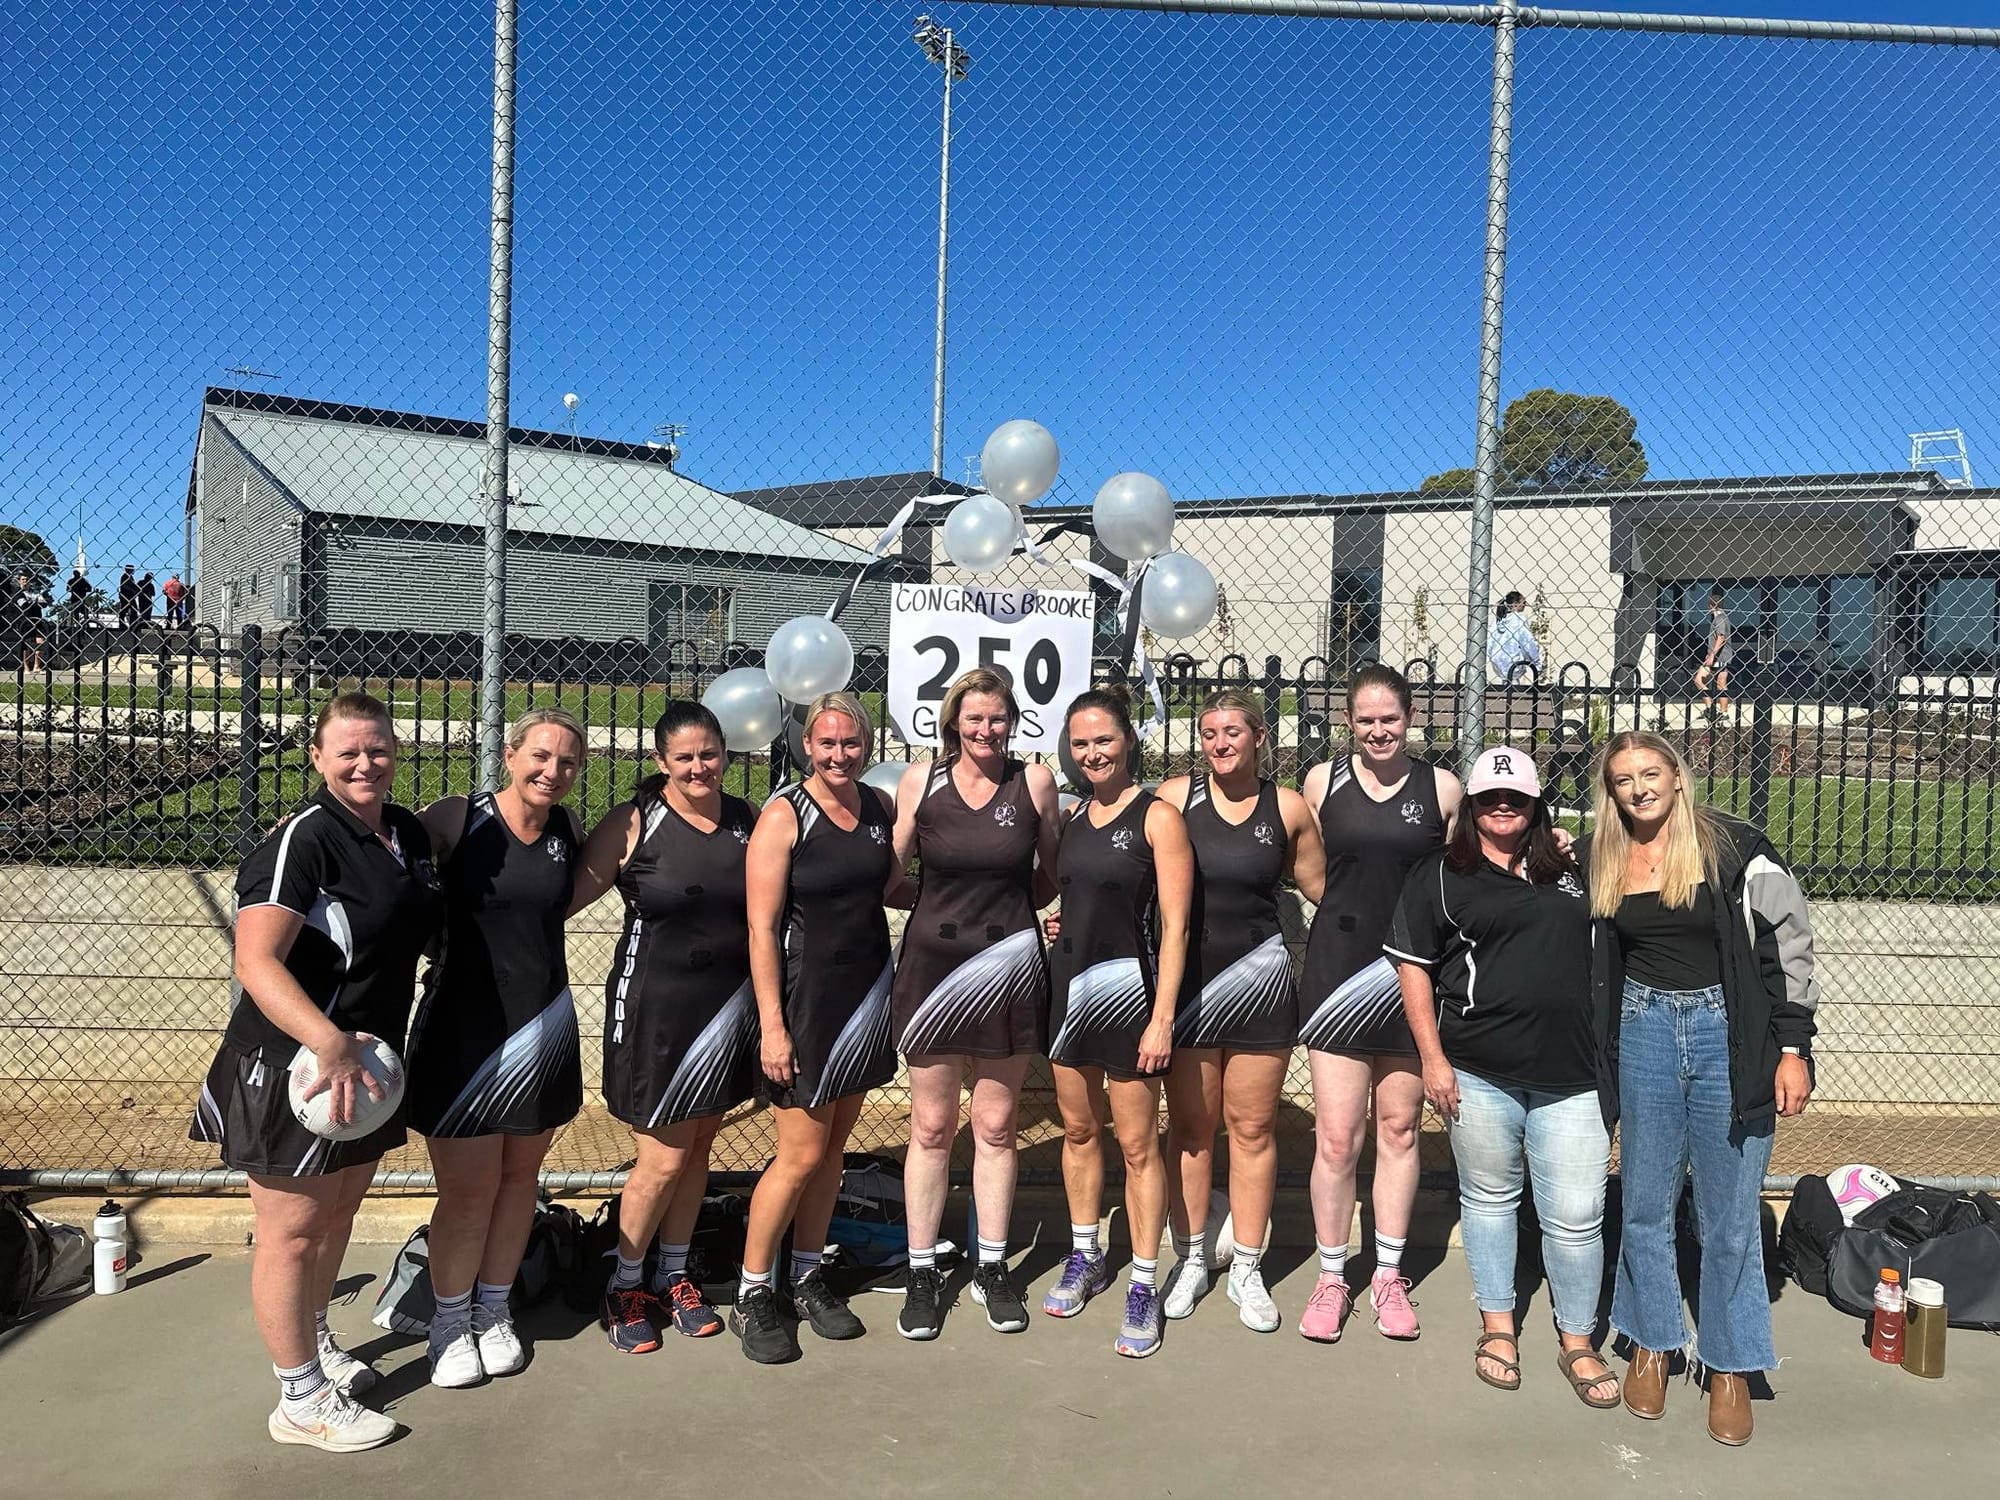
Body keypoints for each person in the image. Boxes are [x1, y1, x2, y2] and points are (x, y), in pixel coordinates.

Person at [187, 693, 445, 1452]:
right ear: (318, 758)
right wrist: (326, 1040)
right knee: (292, 1233)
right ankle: (298, 1398)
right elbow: (255, 959)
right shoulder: (304, 838)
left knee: (337, 1215)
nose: (366, 763)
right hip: (294, 1065)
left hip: (365, 1073)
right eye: (349, 752)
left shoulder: (403, 833)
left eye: (379, 749)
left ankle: (315, 1343)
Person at [1583, 730, 1818, 1446]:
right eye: (1624, 780)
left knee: (1730, 1215)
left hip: (1729, 1035)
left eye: (1651, 773)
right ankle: (1652, 1340)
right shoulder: (1604, 854)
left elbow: (1790, 941)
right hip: (1644, 1030)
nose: (1639, 788)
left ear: (1677, 777)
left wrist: (1792, 1046)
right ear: (1611, 791)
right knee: (1647, 1202)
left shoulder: (1736, 848)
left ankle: (1728, 1363)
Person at [1389, 747, 1618, 1409]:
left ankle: (1577, 1339)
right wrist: (1431, 1058)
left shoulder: (1574, 865)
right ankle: (1497, 1328)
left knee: (1576, 1215)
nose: (1503, 808)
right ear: (1470, 805)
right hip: (1478, 1071)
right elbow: (1413, 969)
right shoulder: (1439, 874)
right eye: (1490, 798)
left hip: (1573, 1074)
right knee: (1490, 1201)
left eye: (1516, 798)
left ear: (1536, 802)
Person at [405, 709, 588, 1389]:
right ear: (509, 755)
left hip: (542, 1029)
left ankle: (492, 1308)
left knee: (519, 1182)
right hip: (463, 1033)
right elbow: (378, 858)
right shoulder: (456, 819)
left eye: (568, 762)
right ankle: (448, 1322)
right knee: (469, 1190)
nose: (552, 771)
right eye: (540, 756)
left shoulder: (567, 831)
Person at [570, 702, 760, 1354]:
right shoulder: (634, 822)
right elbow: (558, 894)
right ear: (661, 763)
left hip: (727, 1010)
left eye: (709, 754)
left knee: (700, 1148)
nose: (700, 766)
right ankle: (626, 1283)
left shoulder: (744, 819)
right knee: (662, 1158)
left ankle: (674, 1274)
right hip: (654, 1010)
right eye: (685, 757)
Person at [732, 691, 906, 1364]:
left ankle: (806, 1275)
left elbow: (891, 888)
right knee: (800, 1153)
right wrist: (773, 1027)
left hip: (863, 997)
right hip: (804, 1002)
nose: (840, 753)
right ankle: (754, 1290)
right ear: (809, 744)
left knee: (833, 1150)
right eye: (828, 742)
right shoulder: (784, 814)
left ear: (867, 747)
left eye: (852, 743)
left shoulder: (878, 808)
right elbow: (761, 928)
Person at [890, 667, 1061, 1340]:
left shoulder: (1035, 782)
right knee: (931, 1129)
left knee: (994, 1125)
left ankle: (992, 1266)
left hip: (1009, 966)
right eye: (974, 718)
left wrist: (1025, 914)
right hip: (933, 969)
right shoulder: (920, 780)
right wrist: (930, 910)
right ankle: (922, 1270)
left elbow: (1053, 871)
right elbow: (888, 872)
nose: (986, 730)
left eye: (997, 718)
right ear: (951, 721)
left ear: (1011, 722)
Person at [1292, 665, 1461, 1343]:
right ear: (1348, 722)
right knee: (1337, 1137)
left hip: (1412, 980)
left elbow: (1462, 878)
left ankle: (1388, 1274)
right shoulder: (1320, 783)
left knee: (1397, 1129)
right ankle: (1333, 1275)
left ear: (1411, 716)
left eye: (1389, 718)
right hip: (1339, 971)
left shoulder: (1442, 788)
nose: (1378, 730)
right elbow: (1308, 871)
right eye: (1365, 720)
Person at [1152, 689, 1325, 1326]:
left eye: (1232, 732)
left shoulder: (1288, 807)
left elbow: (1326, 892)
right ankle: (1194, 1256)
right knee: (1194, 1131)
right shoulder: (1174, 799)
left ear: (1258, 737)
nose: (1219, 744)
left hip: (1261, 985)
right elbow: (1121, 865)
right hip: (1189, 986)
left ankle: (1247, 1266)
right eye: (1208, 734)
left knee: (1251, 1132)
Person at [1040, 688, 1193, 1358]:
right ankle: (1085, 1254)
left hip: (1132, 1001)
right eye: (1080, 743)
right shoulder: (1072, 816)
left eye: (1103, 740)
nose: (1092, 752)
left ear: (1128, 740)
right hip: (1069, 995)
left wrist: (1161, 1019)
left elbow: (1179, 927)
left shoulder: (1158, 818)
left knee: (1136, 1146)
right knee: (1078, 1130)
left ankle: (1142, 1279)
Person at [1487, 591, 1543, 684]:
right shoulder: (1518, 620)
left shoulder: (1499, 620)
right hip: (1515, 662)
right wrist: (1536, 662)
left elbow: (1490, 642)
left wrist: (1492, 657)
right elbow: (1527, 642)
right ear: (1515, 604)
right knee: (1513, 689)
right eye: (1523, 603)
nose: (1525, 605)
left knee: (1506, 688)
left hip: (1498, 663)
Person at [1693, 588, 1732, 713]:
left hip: (1720, 657)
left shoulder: (1720, 619)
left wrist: (1712, 655)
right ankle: (1712, 709)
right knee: (1718, 682)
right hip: (1717, 656)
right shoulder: (1720, 618)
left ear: (1710, 606)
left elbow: (1721, 638)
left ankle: (1719, 710)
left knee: (1706, 680)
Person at [116, 565, 137, 629]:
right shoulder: (124, 577)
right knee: (124, 610)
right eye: (132, 569)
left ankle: (132, 624)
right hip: (125, 596)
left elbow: (134, 586)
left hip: (131, 597)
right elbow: (124, 586)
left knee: (134, 610)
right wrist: (132, 591)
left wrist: (137, 590)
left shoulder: (131, 577)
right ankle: (122, 624)